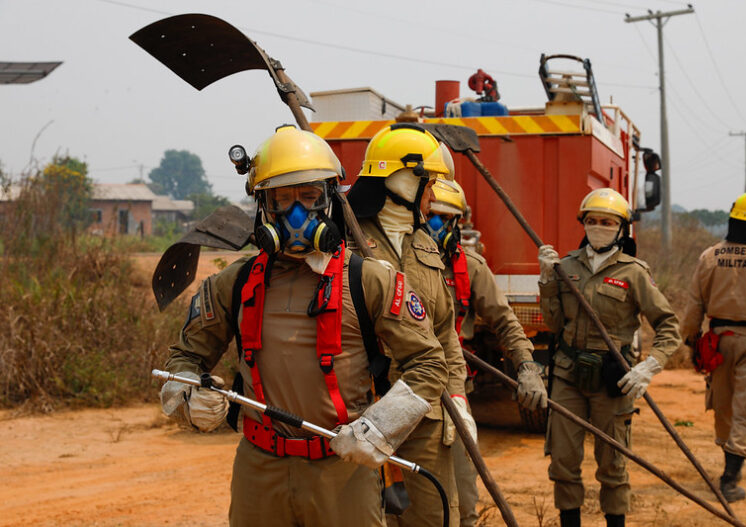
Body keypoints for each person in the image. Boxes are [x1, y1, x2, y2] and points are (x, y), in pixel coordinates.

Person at [159, 125, 449, 527]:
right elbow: (185, 358)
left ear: (329, 199)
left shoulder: (369, 279)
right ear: (263, 204)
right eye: (282, 198)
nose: (296, 213)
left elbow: (429, 363)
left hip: (344, 467)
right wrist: (188, 395)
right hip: (259, 468)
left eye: (309, 196)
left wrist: (382, 426)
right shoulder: (234, 283)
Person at [347, 123, 468, 527]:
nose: (433, 197)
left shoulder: (426, 246)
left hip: (424, 411)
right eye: (428, 185)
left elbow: (445, 332)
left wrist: (457, 394)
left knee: (433, 517)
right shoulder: (346, 242)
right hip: (361, 412)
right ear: (402, 180)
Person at [537, 188, 681, 527]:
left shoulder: (634, 272)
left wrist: (649, 367)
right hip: (568, 375)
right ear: (583, 223)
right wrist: (546, 281)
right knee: (563, 462)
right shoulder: (566, 266)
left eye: (607, 222)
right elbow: (555, 325)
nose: (598, 227)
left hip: (612, 380)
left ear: (621, 229)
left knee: (613, 465)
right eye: (592, 221)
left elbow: (669, 326)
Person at [425, 173, 547, 527]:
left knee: (463, 495)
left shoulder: (469, 267)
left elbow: (506, 322)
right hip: (398, 384)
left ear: (458, 224)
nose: (436, 225)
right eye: (431, 215)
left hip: (451, 385)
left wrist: (527, 366)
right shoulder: (391, 261)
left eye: (446, 218)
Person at [680, 190, 746, 503]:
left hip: (718, 341)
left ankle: (729, 465)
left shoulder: (710, 256)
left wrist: (691, 341)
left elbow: (694, 304)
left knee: (724, 403)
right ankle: (730, 477)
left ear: (732, 218)